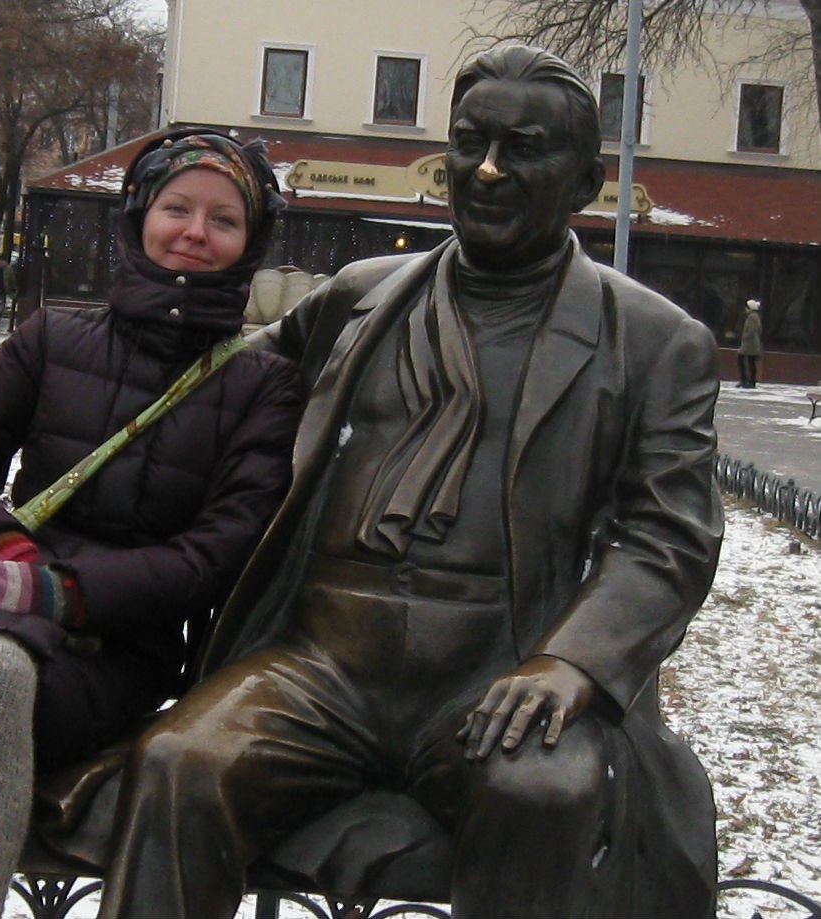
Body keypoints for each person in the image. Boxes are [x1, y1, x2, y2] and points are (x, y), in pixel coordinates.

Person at [100, 46, 724, 919]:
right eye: (470, 142)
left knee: (545, 789)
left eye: (523, 149)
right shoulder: (357, 298)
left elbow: (670, 535)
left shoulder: (654, 341)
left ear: (585, 182)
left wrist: (571, 661)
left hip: (495, 672)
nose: (488, 169)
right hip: (319, 666)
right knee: (180, 761)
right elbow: (208, 399)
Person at [0, 128, 303, 919]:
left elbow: (215, 554)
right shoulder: (52, 336)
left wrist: (68, 592)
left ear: (251, 243)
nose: (196, 232)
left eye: (224, 220)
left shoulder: (262, 384)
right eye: (177, 208)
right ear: (140, 214)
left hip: (116, 650)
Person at [738, 298, 763, 388]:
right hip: (752, 343)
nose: (745, 310)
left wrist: (744, 337)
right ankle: (750, 381)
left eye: (746, 308)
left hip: (749, 343)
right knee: (750, 361)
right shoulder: (755, 316)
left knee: (742, 359)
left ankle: (745, 380)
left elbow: (751, 330)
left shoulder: (752, 317)